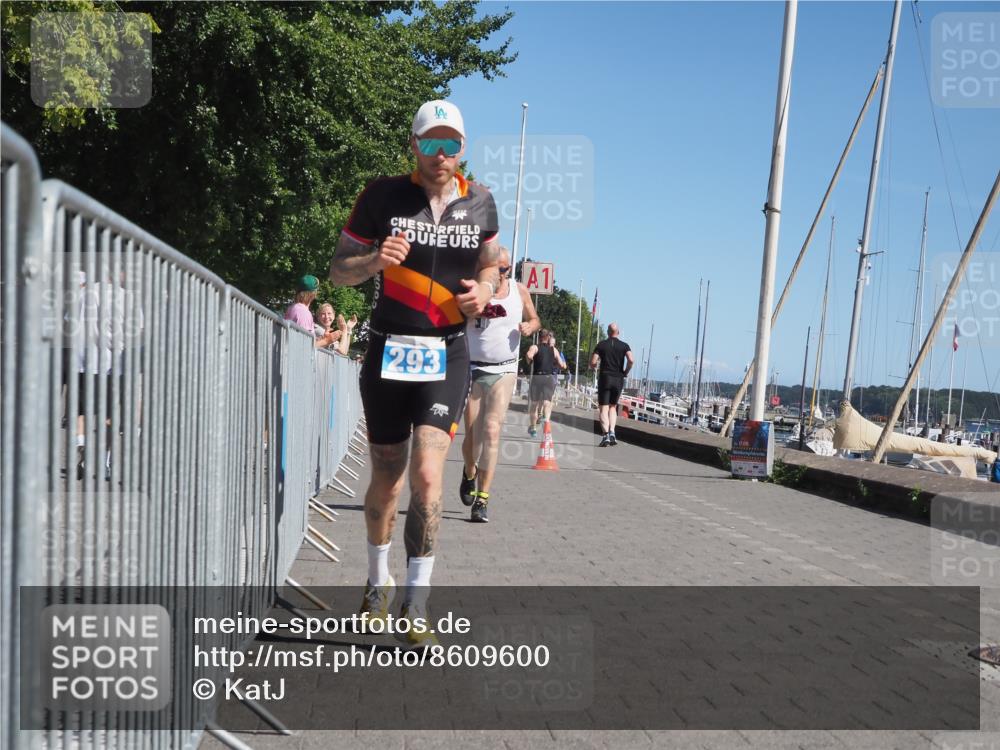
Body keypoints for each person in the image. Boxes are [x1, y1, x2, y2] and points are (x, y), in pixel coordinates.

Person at [328, 99, 500, 643]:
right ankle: (377, 581)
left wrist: (485, 291)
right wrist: (375, 261)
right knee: (387, 475)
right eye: (430, 142)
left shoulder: (481, 202)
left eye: (450, 144)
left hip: (446, 353)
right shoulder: (381, 196)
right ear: (414, 145)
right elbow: (338, 271)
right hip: (388, 351)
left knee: (428, 475)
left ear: (463, 149)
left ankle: (416, 600)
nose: (440, 153)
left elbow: (492, 266)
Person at [460, 247, 540, 522]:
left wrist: (530, 326)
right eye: (494, 269)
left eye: (504, 269)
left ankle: (482, 500)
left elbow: (535, 319)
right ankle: (469, 471)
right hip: (472, 368)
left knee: (492, 430)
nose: (499, 274)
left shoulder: (519, 291)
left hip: (504, 369)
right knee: (473, 438)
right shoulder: (471, 288)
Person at [589, 323, 634, 447]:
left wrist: (594, 367)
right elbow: (631, 360)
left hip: (605, 378)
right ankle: (613, 432)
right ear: (618, 332)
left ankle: (606, 436)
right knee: (613, 407)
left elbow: (593, 362)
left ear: (608, 332)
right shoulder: (625, 346)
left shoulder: (601, 345)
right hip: (618, 379)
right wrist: (625, 372)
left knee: (604, 408)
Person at [525, 330, 566, 437]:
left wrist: (529, 360)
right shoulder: (553, 349)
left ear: (539, 337)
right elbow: (562, 365)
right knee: (547, 402)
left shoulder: (535, 347)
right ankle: (545, 419)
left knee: (534, 404)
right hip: (548, 377)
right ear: (548, 338)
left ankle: (533, 428)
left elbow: (529, 355)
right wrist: (559, 365)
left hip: (537, 377)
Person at [284, 275, 339, 349]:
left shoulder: (293, 308)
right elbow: (304, 347)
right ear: (313, 294)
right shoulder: (303, 313)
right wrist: (327, 340)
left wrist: (322, 339)